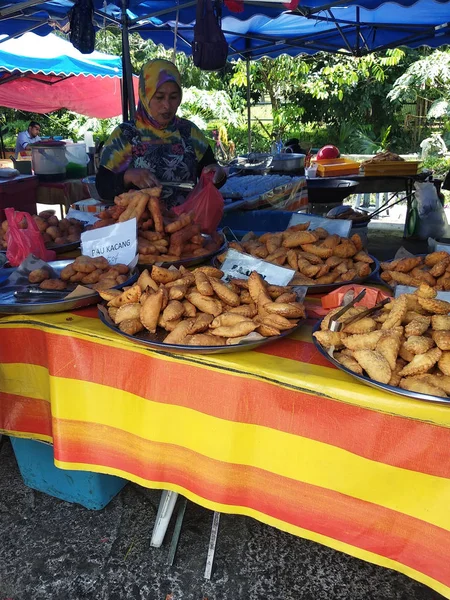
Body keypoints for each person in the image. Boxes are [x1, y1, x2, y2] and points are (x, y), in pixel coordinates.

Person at [96, 59, 226, 207]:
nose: (167, 105)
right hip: (139, 226)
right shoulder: (125, 135)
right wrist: (127, 176)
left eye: (173, 97)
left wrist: (218, 174)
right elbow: (102, 187)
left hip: (185, 224)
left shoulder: (189, 133)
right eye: (159, 97)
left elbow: (212, 175)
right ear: (145, 95)